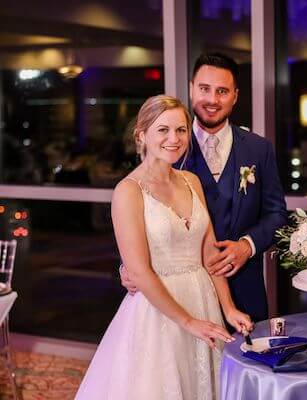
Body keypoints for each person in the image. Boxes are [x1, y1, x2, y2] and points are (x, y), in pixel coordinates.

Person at [76, 95, 252, 400]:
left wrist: (227, 308)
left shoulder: (192, 181)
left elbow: (209, 253)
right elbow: (139, 272)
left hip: (202, 299)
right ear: (142, 135)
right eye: (163, 130)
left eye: (181, 130)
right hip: (158, 310)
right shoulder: (128, 191)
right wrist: (188, 322)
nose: (174, 139)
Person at [122, 53, 287, 323]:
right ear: (191, 88)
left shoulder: (259, 149)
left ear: (235, 95)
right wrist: (126, 266)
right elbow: (135, 210)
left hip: (244, 285)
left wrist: (247, 246)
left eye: (222, 91)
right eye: (204, 89)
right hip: (177, 294)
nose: (212, 99)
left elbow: (277, 214)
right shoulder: (166, 145)